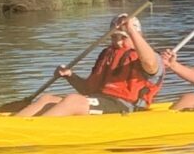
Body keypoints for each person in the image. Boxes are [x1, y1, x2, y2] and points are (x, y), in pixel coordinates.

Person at [15, 14, 164, 116]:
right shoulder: (108, 55)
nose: (118, 42)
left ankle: (35, 129)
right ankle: (15, 124)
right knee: (47, 99)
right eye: (114, 37)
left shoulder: (151, 58)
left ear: (137, 36)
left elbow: (150, 63)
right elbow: (88, 89)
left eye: (123, 37)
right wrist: (70, 76)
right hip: (100, 100)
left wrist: (130, 29)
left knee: (73, 100)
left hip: (126, 107)